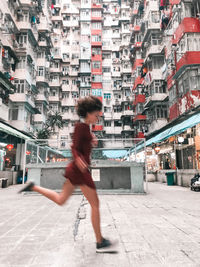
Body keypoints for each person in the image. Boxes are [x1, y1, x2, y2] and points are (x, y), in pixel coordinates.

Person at [18, 96, 116, 253]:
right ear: (89, 113)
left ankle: (34, 187)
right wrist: (79, 160)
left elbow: (81, 143)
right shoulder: (81, 127)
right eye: (96, 115)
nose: (98, 117)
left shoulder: (85, 128)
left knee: (61, 199)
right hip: (80, 171)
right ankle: (99, 241)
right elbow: (74, 148)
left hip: (76, 171)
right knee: (95, 204)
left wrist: (92, 139)